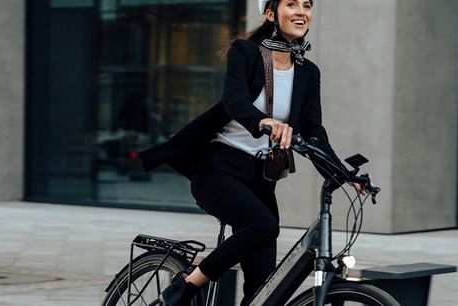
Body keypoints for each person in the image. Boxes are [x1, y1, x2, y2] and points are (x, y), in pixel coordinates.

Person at [139, 0, 366, 304]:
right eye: (292, 4)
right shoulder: (245, 53)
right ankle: (186, 286)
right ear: (271, 13)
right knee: (263, 226)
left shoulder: (308, 72)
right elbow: (235, 100)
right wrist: (263, 122)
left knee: (263, 288)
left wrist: (344, 175)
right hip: (218, 170)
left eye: (307, 5)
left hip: (261, 179)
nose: (301, 11)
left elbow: (314, 131)